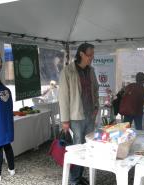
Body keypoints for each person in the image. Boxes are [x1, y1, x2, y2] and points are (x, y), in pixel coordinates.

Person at [59, 43, 99, 185]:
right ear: (81, 54)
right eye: (90, 55)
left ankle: (79, 175)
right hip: (75, 117)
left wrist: (96, 107)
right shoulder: (67, 71)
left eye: (93, 54)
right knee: (78, 148)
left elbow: (95, 89)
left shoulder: (91, 70)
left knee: (88, 147)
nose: (92, 57)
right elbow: (63, 97)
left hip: (90, 115)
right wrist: (65, 120)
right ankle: (73, 180)